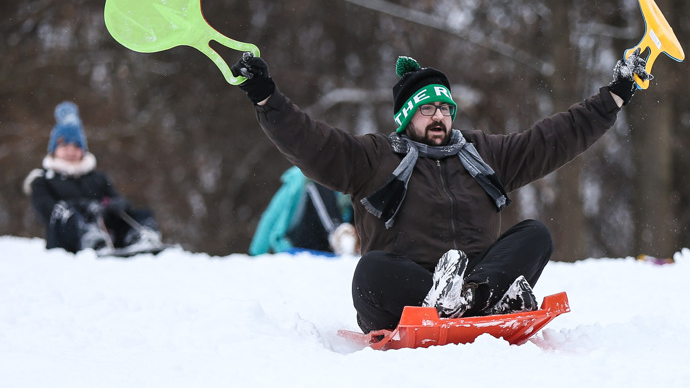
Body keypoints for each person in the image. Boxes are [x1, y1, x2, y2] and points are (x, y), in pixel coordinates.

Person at [231, 49, 651, 333]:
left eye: (445, 109)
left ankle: (475, 296)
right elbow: (310, 141)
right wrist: (267, 98)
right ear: (407, 117)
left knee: (535, 234)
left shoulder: (483, 153)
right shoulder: (374, 157)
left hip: (474, 276)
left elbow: (552, 138)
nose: (439, 117)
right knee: (371, 271)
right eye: (428, 109)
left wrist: (613, 96)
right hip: (409, 287)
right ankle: (460, 301)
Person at [23, 101, 164, 257]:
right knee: (70, 216)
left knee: (140, 213)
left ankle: (141, 238)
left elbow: (114, 198)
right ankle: (91, 241)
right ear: (54, 151)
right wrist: (84, 206)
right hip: (67, 238)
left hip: (105, 229)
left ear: (83, 150)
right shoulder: (42, 181)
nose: (71, 151)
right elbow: (47, 211)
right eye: (65, 146)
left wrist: (115, 205)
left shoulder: (98, 178)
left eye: (76, 146)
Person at [249, 166, 357, 256]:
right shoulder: (299, 179)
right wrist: (255, 254)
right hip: (300, 243)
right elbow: (271, 217)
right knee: (316, 185)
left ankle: (347, 240)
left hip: (331, 250)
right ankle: (339, 235)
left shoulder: (351, 182)